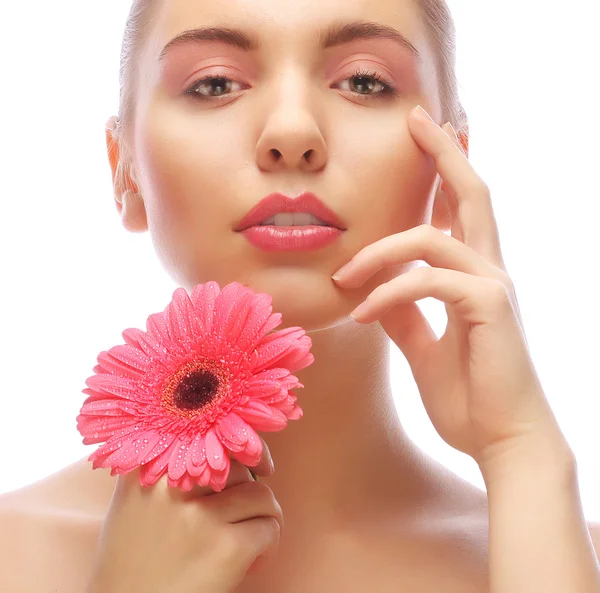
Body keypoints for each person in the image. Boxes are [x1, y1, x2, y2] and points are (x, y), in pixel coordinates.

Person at [1, 0, 599, 591]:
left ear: (450, 166)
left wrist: (522, 453)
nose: (291, 133)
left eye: (365, 82)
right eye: (213, 84)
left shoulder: (560, 548)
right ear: (123, 170)